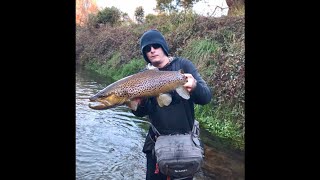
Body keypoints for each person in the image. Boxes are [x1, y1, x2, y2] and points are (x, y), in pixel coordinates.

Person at [132, 29, 212, 180]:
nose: (152, 50)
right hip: (156, 143)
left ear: (163, 47)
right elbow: (141, 112)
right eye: (147, 49)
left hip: (186, 144)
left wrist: (194, 87)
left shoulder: (183, 66)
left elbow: (206, 98)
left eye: (155, 46)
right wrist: (138, 104)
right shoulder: (143, 76)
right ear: (145, 54)